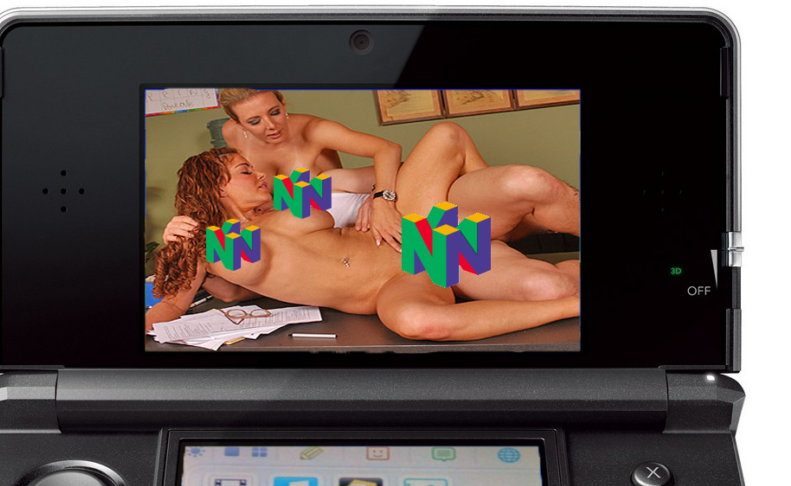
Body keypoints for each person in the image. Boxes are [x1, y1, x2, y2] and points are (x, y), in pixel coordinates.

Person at [147, 122, 580, 342]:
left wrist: (382, 196)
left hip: (420, 236)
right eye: (245, 171)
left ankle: (498, 234)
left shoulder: (289, 194)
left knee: (450, 137)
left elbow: (388, 171)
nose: (259, 174)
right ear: (216, 188)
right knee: (421, 321)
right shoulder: (208, 243)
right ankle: (573, 303)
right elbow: (174, 306)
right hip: (402, 281)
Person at [163, 88, 403, 248]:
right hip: (287, 234)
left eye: (275, 112)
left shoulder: (315, 131)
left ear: (283, 103)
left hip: (339, 219)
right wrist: (182, 226)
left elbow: (388, 150)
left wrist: (380, 198)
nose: (271, 126)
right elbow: (226, 192)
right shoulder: (231, 134)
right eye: (254, 121)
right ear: (238, 123)